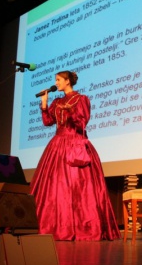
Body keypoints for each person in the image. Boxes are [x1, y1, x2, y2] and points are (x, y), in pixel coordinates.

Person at [30, 70, 121, 241]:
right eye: (55, 80)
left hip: (75, 143)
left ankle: (84, 226)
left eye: (58, 80)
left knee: (79, 186)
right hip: (57, 144)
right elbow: (48, 122)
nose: (56, 83)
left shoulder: (81, 99)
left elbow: (83, 122)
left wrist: (70, 111)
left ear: (67, 81)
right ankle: (54, 226)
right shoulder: (57, 101)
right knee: (55, 186)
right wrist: (44, 103)